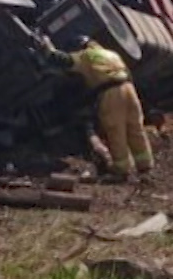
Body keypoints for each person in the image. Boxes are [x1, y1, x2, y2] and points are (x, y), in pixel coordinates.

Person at [38, 33, 153, 182]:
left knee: (115, 129)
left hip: (111, 92)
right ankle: (145, 167)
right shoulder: (110, 54)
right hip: (129, 89)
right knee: (135, 128)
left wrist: (47, 46)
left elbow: (62, 60)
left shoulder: (86, 55)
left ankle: (121, 170)